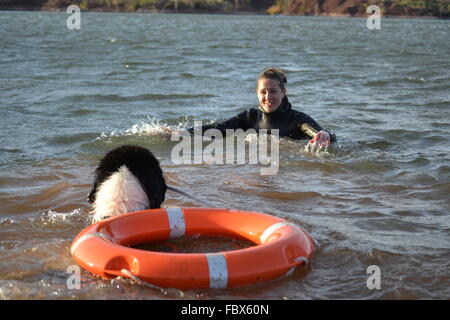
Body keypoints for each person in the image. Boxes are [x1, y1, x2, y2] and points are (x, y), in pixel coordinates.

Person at [187, 67, 336, 147]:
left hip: (291, 172)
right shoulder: (250, 117)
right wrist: (180, 133)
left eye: (273, 91)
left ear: (283, 92)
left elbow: (321, 134)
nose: (268, 97)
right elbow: (218, 129)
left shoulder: (297, 119)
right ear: (257, 93)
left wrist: (323, 134)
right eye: (263, 92)